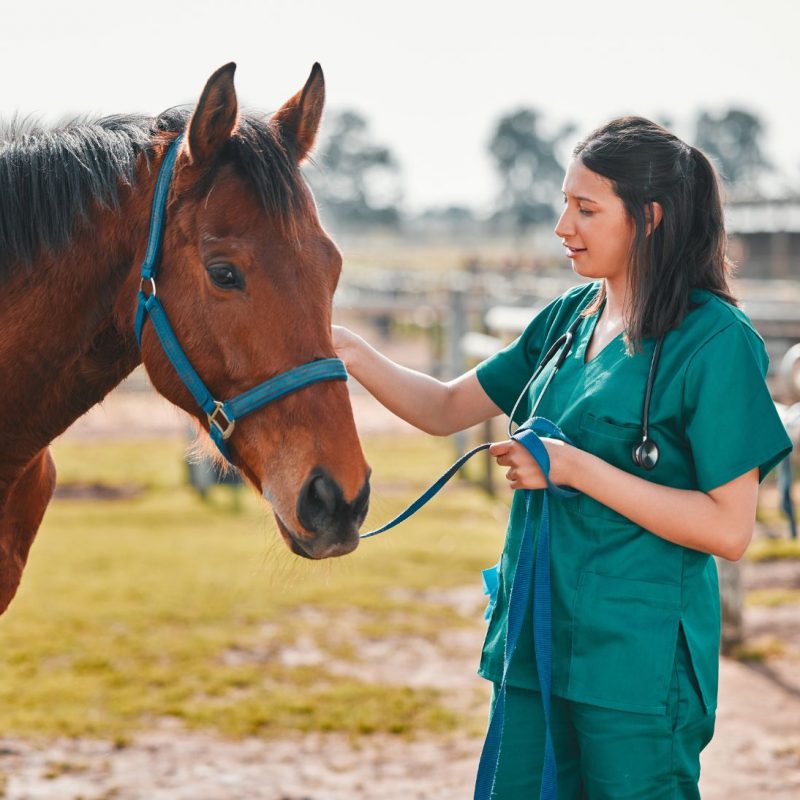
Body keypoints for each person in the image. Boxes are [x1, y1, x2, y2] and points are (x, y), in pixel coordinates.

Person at [332, 116, 794, 799]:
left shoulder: (717, 342)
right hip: (534, 642)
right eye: (564, 204)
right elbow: (441, 408)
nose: (562, 226)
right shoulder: (567, 318)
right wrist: (347, 349)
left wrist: (574, 468)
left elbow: (728, 529)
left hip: (636, 665)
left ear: (651, 217)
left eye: (585, 208)